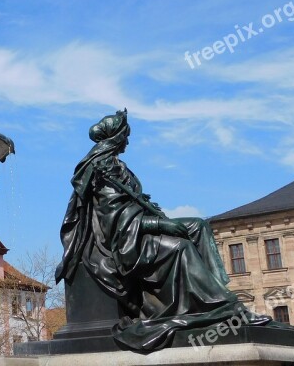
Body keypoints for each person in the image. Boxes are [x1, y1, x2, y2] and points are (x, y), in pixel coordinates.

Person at [55, 109, 271, 351]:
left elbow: (132, 204)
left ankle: (218, 298)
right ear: (116, 137)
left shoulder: (117, 165)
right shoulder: (100, 169)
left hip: (138, 228)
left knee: (198, 226)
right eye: (125, 135)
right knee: (181, 247)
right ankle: (228, 311)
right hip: (124, 241)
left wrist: (157, 216)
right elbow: (114, 221)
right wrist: (162, 225)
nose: (128, 140)